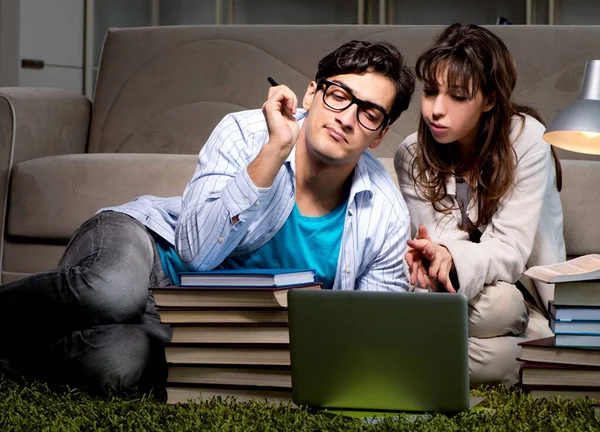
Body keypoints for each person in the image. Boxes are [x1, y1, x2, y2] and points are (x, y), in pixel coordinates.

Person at [0, 40, 415, 390]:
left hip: (189, 325)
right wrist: (273, 152)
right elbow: (197, 253)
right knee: (113, 292)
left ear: (379, 133)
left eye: (370, 113)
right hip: (151, 250)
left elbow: (372, 332)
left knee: (118, 364)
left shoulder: (384, 212)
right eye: (338, 95)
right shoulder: (246, 132)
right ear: (311, 94)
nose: (345, 117)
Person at [394, 23, 565, 385]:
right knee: (496, 319)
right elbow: (436, 241)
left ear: (489, 99)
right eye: (430, 92)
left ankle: (406, 353)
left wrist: (448, 257)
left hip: (523, 294)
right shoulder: (411, 152)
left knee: (504, 305)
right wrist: (441, 256)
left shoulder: (527, 138)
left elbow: (511, 249)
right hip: (451, 296)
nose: (436, 110)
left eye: (457, 96)